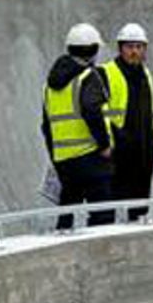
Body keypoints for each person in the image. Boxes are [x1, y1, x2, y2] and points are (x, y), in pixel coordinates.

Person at [42, 19, 116, 222]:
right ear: (93, 50)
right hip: (90, 157)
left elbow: (46, 126)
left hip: (64, 161)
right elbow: (92, 110)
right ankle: (101, 253)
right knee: (103, 216)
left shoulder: (50, 85)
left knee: (67, 214)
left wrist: (56, 155)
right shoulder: (87, 77)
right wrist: (104, 145)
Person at [103, 21, 153, 212]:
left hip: (144, 151)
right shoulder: (106, 72)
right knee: (114, 205)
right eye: (130, 47)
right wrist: (114, 139)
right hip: (118, 153)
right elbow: (100, 112)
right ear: (120, 48)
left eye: (139, 47)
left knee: (139, 207)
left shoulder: (145, 73)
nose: (134, 52)